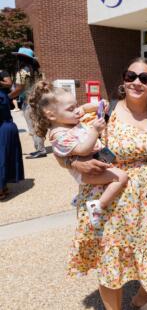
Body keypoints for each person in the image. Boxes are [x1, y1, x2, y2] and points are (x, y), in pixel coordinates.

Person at [66, 57, 147, 310]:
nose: (137, 82)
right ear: (123, 81)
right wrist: (73, 163)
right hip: (109, 197)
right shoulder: (104, 110)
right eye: (130, 76)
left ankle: (142, 298)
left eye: (145, 78)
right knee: (110, 259)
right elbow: (67, 143)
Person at [27, 81, 128, 227]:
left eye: (76, 106)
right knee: (121, 177)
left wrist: (95, 105)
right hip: (87, 173)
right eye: (71, 108)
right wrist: (94, 131)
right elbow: (83, 150)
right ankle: (98, 206)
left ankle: (82, 198)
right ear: (51, 115)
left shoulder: (68, 119)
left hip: (96, 165)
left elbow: (85, 108)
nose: (77, 111)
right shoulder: (59, 135)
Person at [10, 47, 47, 159]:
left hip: (28, 102)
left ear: (21, 58)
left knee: (33, 127)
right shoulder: (36, 71)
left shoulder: (22, 72)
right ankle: (39, 148)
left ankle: (40, 150)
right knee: (37, 125)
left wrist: (8, 96)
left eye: (18, 57)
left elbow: (19, 89)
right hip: (37, 101)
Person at [0, 68, 24, 200]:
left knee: (2, 158)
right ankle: (3, 187)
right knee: (4, 158)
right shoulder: (3, 94)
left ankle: (1, 189)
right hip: (7, 126)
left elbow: (13, 85)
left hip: (4, 126)